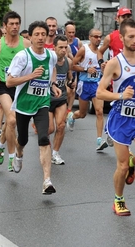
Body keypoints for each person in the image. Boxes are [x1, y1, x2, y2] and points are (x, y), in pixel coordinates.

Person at [96, 19, 135, 216]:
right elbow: (100, 93)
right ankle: (118, 200)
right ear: (121, 38)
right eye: (130, 36)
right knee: (121, 167)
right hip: (120, 119)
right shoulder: (114, 63)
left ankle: (134, 162)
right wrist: (120, 95)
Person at [6, 20, 61, 194]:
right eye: (36, 34)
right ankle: (19, 154)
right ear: (30, 37)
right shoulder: (23, 56)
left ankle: (47, 181)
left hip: (42, 102)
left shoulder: (51, 55)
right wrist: (30, 76)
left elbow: (52, 70)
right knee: (23, 140)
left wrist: (53, 85)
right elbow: (9, 81)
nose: (40, 37)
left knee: (44, 138)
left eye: (43, 34)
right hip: (23, 104)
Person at [0, 11, 31, 172]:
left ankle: (0, 144)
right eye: (11, 24)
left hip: (20, 86)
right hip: (4, 85)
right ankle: (12, 157)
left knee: (11, 121)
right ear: (4, 27)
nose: (14, 27)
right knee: (12, 120)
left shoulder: (26, 44)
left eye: (17, 24)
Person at [68, 28, 108, 151]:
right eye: (95, 37)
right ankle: (72, 117)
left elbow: (104, 69)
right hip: (85, 84)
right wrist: (86, 69)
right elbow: (73, 65)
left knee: (99, 111)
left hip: (96, 85)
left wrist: (104, 67)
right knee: (82, 114)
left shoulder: (101, 52)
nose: (98, 39)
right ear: (90, 37)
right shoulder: (84, 49)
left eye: (100, 37)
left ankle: (99, 140)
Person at [49, 35, 73, 165]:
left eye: (65, 47)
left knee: (61, 125)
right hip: (47, 98)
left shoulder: (68, 62)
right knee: (49, 129)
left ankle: (55, 153)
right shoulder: (48, 60)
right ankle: (45, 148)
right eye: (61, 47)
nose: (63, 50)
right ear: (54, 48)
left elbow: (69, 77)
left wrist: (71, 83)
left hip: (61, 97)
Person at [64, 21, 82, 115]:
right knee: (67, 91)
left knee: (72, 90)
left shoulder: (77, 41)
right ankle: (64, 107)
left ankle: (68, 111)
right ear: (65, 32)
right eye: (69, 32)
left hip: (74, 70)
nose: (71, 34)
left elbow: (83, 54)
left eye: (73, 32)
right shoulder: (62, 41)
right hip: (63, 70)